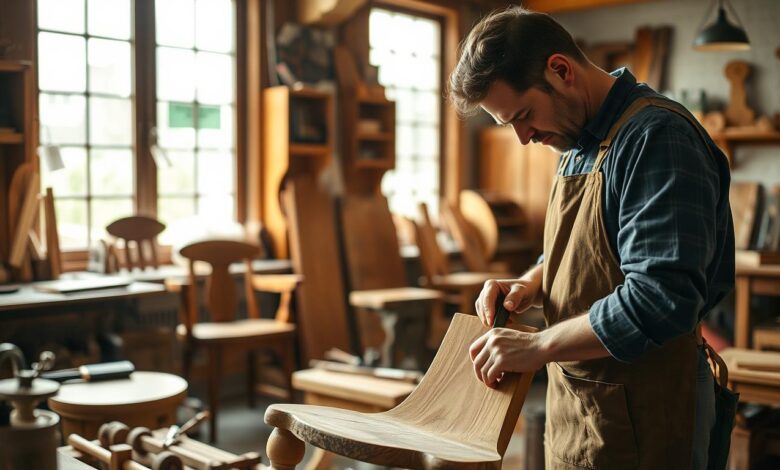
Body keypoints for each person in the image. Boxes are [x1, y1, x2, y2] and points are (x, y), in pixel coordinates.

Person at [448, 6, 734, 470]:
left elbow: (661, 298)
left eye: (523, 116)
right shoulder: (577, 139)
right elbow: (585, 243)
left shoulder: (656, 138)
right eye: (509, 125)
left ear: (560, 71)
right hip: (586, 399)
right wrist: (533, 281)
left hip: (652, 403)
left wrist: (537, 346)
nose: (523, 138)